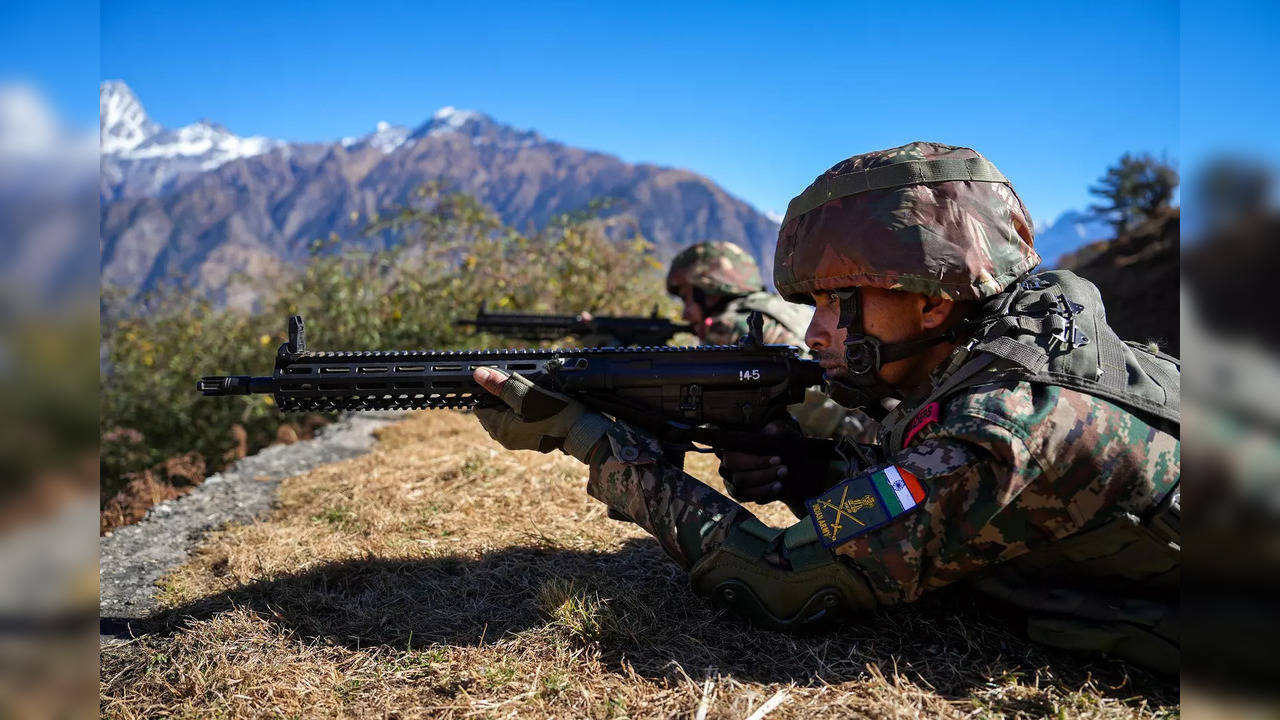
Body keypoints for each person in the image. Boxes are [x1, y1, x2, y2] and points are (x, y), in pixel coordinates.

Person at [469, 142, 1180, 674]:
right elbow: (894, 475)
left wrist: (594, 441)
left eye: (838, 303)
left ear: (932, 302)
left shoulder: (1005, 425)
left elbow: (783, 582)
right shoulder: (993, 350)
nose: (814, 333)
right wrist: (800, 467)